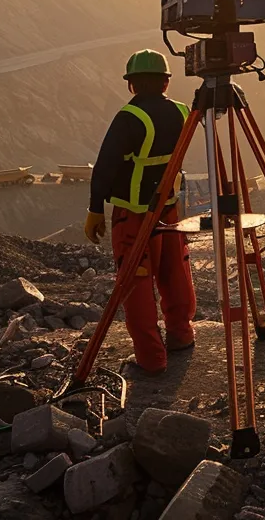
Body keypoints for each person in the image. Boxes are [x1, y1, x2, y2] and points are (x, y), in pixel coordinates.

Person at [83, 50, 196, 376]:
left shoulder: (129, 117)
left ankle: (151, 358)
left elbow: (105, 167)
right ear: (165, 81)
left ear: (131, 84)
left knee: (137, 284)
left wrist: (95, 208)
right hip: (170, 209)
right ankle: (181, 335)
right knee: (175, 272)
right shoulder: (182, 111)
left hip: (134, 216)